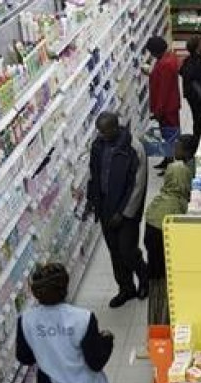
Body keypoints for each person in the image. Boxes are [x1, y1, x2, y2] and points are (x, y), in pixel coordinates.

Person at [86, 112, 149, 308]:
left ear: (115, 127)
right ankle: (126, 289)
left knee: (128, 250)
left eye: (105, 131)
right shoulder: (97, 146)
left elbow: (138, 185)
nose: (102, 135)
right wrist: (92, 199)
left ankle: (145, 279)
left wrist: (123, 212)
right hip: (105, 206)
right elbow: (94, 174)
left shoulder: (133, 147)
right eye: (100, 132)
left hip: (126, 210)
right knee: (114, 252)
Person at [143, 160, 193, 325]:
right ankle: (164, 324)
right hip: (167, 269)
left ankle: (155, 324)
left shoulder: (158, 201)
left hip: (154, 265)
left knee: (156, 293)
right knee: (166, 296)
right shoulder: (178, 206)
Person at [146, 36, 181, 173]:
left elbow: (163, 91)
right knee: (168, 134)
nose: (151, 54)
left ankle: (171, 164)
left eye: (151, 52)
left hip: (167, 108)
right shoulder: (168, 58)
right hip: (171, 104)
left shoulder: (164, 64)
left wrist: (158, 112)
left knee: (170, 135)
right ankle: (167, 160)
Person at [179, 36, 201, 139]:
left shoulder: (188, 60)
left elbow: (182, 72)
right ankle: (198, 141)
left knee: (197, 120)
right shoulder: (197, 64)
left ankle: (197, 138)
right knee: (199, 120)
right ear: (197, 48)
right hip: (199, 99)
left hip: (194, 97)